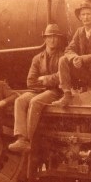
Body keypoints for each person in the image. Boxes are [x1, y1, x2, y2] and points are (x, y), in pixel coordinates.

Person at [9, 24, 65, 153]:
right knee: (20, 100)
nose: (52, 40)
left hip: (55, 92)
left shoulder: (62, 57)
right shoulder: (37, 58)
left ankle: (28, 140)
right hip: (37, 90)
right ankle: (21, 138)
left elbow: (61, 77)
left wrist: (43, 79)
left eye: (55, 37)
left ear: (59, 40)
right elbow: (30, 81)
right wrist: (49, 80)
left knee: (35, 102)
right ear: (45, 39)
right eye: (50, 37)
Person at [52, 0, 91, 109]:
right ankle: (67, 95)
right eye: (83, 15)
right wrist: (75, 58)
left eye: (88, 14)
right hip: (84, 74)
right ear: (80, 17)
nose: (86, 17)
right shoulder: (79, 32)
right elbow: (68, 50)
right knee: (63, 59)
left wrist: (83, 58)